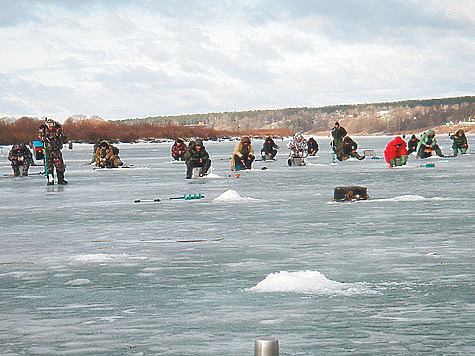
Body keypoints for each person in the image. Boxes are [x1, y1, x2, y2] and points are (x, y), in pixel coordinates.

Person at [38, 117, 68, 185]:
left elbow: (64, 137)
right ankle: (50, 180)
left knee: (60, 166)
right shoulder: (43, 131)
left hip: (56, 150)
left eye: (52, 125)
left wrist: (60, 137)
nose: (51, 127)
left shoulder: (58, 130)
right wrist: (45, 139)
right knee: (49, 166)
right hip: (47, 151)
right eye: (49, 125)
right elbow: (40, 138)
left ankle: (61, 179)